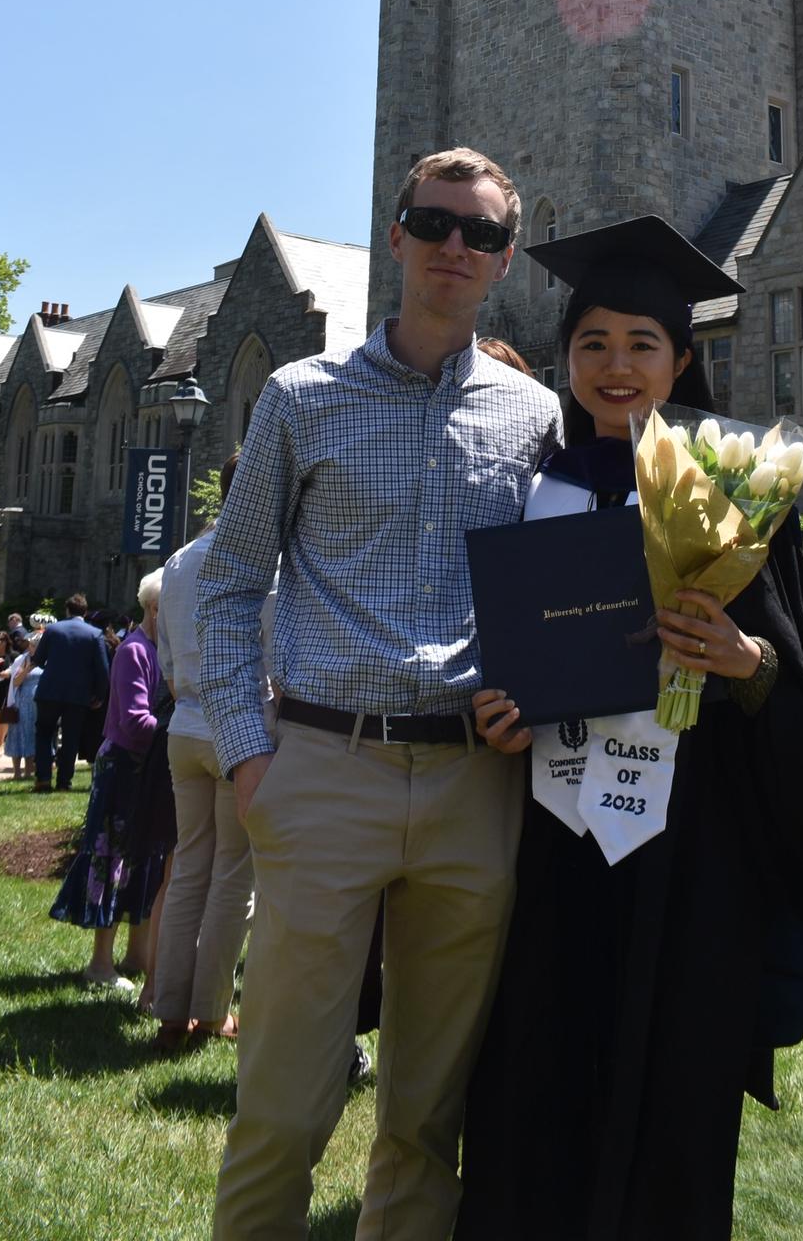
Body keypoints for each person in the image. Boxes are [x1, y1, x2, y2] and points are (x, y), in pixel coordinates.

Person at [459, 216, 803, 1241]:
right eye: (592, 341)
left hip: (689, 859)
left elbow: (800, 677)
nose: (615, 365)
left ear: (682, 359)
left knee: (671, 1100)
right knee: (534, 1081)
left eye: (640, 342)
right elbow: (491, 652)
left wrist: (746, 663)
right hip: (549, 848)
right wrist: (491, 714)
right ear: (567, 356)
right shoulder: (532, 486)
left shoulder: (732, 493)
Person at [196, 146, 561, 1241]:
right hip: (322, 767)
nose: (456, 245)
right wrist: (250, 756)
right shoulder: (300, 398)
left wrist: (536, 695)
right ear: (395, 231)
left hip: (470, 784)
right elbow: (226, 583)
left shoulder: (534, 415)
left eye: (481, 233)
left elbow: (553, 604)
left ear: (501, 260)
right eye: (434, 221)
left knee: (423, 1116)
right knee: (280, 1106)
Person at [151, 452, 257, 1051]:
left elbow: (166, 660)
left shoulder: (179, 560)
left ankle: (171, 1009)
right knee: (232, 877)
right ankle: (213, 1010)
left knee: (191, 867)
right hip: (239, 729)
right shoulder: (261, 558)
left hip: (186, 725)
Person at [49, 570, 169, 988]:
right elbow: (135, 723)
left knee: (149, 860)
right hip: (123, 769)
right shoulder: (135, 652)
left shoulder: (161, 650)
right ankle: (100, 964)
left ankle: (137, 954)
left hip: (149, 771)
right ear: (156, 608)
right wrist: (177, 726)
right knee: (111, 860)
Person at [32, 593, 109, 792]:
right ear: (85, 612)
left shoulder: (53, 630)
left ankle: (43, 778)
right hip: (78, 694)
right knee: (71, 738)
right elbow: (103, 669)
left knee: (44, 733)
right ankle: (64, 781)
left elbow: (39, 659)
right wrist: (99, 695)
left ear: (67, 610)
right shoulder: (94, 634)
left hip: (50, 690)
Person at [4, 632, 43, 780]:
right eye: (32, 645)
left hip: (38, 704)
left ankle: (29, 770)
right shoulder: (22, 660)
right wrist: (27, 670)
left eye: (37, 646)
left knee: (32, 734)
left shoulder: (46, 660)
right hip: (22, 703)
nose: (33, 648)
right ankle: (16, 772)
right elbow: (15, 682)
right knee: (18, 734)